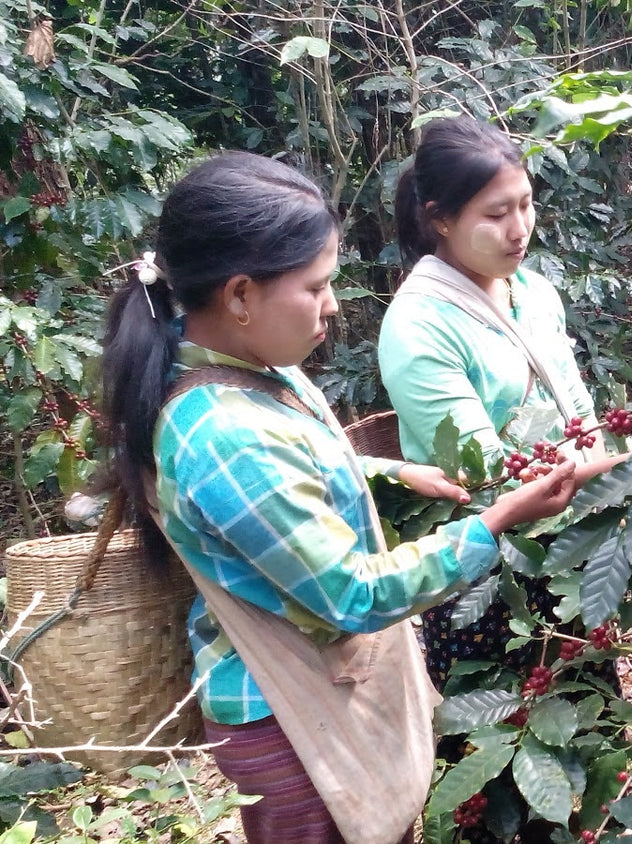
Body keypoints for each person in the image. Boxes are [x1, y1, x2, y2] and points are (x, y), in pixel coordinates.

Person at [98, 151, 578, 843]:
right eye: (316, 286)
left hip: (309, 701)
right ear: (239, 296)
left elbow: (279, 484)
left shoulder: (235, 368)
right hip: (291, 723)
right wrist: (496, 522)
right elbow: (352, 596)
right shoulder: (224, 436)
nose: (332, 306)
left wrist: (385, 474)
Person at [380, 115, 632, 686]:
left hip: (570, 540)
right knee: (489, 732)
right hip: (490, 561)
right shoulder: (418, 326)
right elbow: (492, 474)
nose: (519, 229)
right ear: (440, 220)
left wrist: (618, 479)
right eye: (495, 215)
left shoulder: (535, 291)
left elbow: (579, 415)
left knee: (590, 712)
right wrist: (630, 467)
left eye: (525, 204)